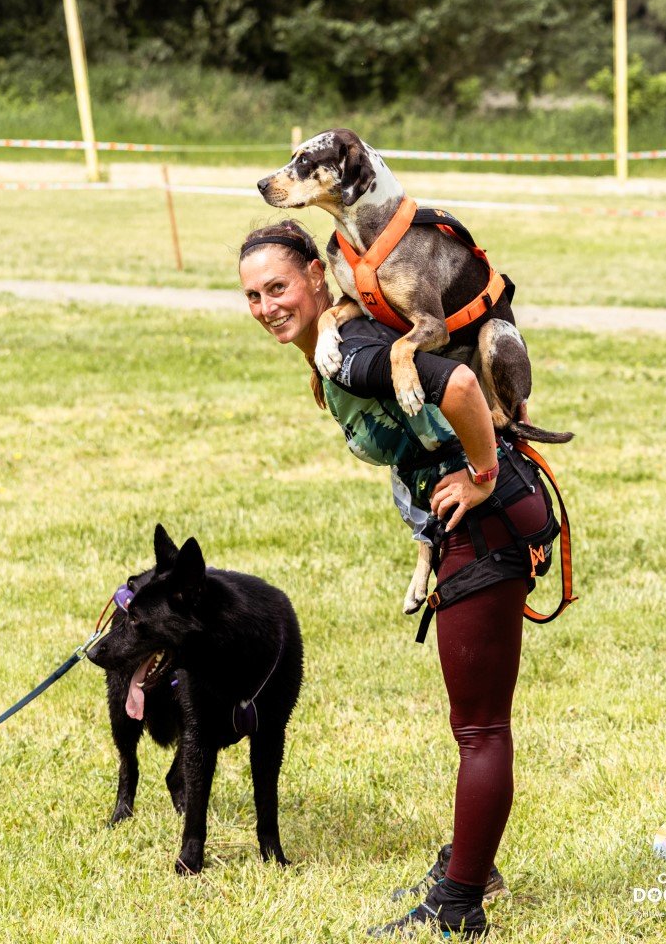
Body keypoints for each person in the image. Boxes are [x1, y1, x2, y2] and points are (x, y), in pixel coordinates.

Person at [239, 220, 560, 939]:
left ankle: (459, 904)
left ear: (318, 276)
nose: (266, 306)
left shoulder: (353, 353)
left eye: (278, 287)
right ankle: (473, 865)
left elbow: (463, 383)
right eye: (253, 295)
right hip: (476, 523)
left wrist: (482, 475)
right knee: (473, 724)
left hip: (489, 519)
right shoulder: (339, 348)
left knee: (480, 729)